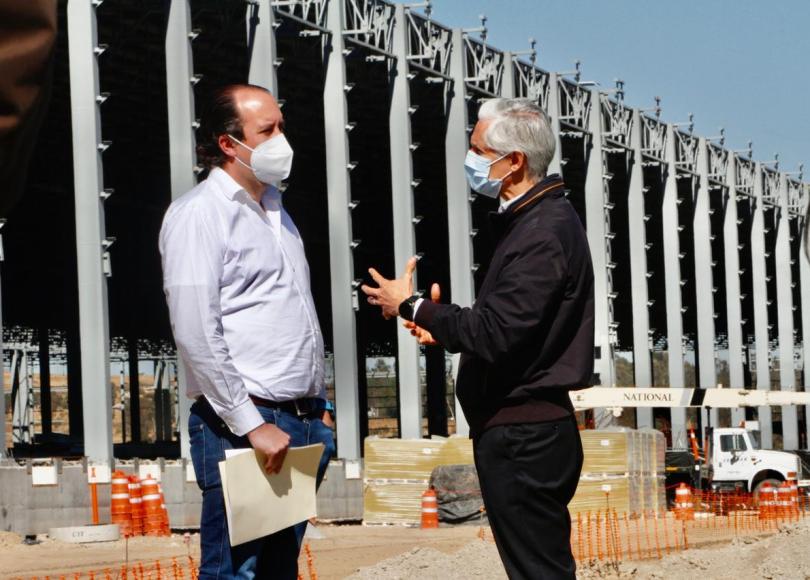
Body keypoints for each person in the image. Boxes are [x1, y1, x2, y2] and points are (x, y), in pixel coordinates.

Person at [362, 97, 594, 579]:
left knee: (538, 572)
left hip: (524, 438)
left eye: (478, 150)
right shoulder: (534, 222)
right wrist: (440, 327)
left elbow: (494, 332)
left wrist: (411, 305)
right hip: (526, 432)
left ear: (514, 161)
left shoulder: (541, 232)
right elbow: (512, 328)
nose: (470, 160)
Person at [159, 84, 335, 579]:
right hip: (245, 426)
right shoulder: (200, 214)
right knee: (234, 572)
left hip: (298, 422)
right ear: (228, 143)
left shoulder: (278, 213)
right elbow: (196, 330)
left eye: (282, 126)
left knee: (278, 571)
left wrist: (318, 407)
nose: (282, 140)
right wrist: (251, 424)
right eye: (267, 130)